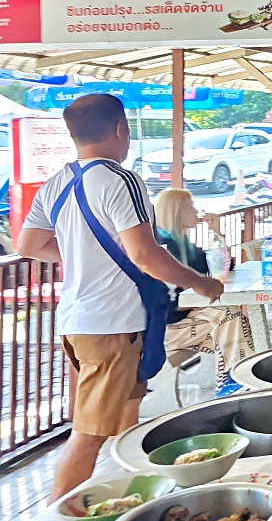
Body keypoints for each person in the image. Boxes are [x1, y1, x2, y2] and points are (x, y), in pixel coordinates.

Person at [17, 94, 224, 499]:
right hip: (112, 325)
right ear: (120, 130)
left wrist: (83, 257)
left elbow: (29, 244)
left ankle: (128, 498)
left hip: (78, 321)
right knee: (89, 433)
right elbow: (146, 255)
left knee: (127, 415)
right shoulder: (120, 179)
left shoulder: (57, 182)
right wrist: (201, 283)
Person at [155, 189, 255, 391]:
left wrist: (217, 233)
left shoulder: (184, 245)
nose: (196, 211)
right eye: (191, 206)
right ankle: (231, 380)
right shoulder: (164, 246)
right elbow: (166, 303)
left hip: (187, 319)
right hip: (166, 329)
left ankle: (238, 378)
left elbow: (221, 267)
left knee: (240, 325)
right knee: (229, 316)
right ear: (179, 211)